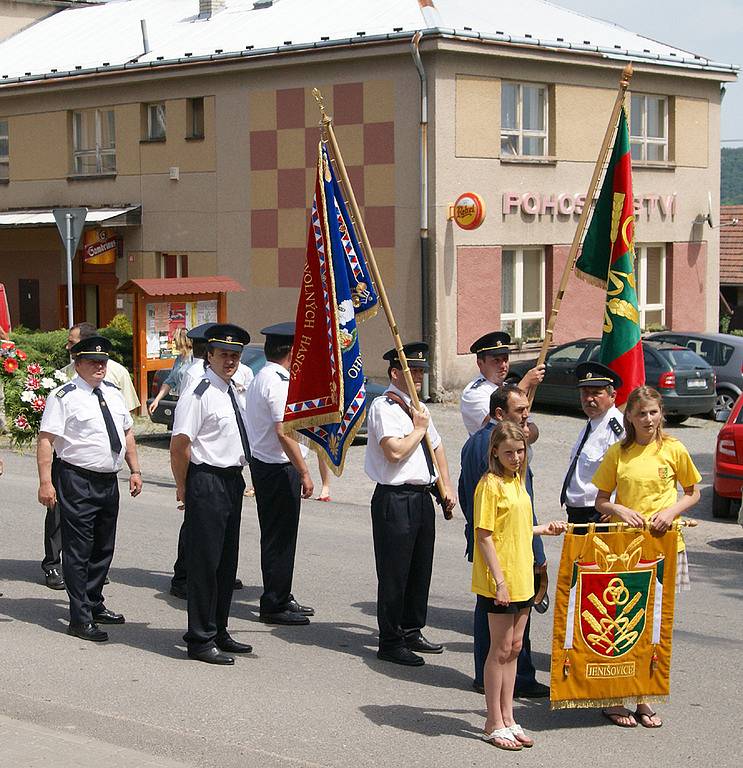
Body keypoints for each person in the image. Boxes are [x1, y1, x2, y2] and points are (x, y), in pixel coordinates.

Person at [593, 385, 701, 729]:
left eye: (653, 412)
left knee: (655, 624)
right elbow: (601, 501)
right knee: (623, 623)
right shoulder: (618, 453)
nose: (649, 419)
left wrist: (671, 513)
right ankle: (615, 697)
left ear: (661, 413)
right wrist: (620, 510)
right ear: (630, 417)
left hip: (666, 545)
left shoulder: (674, 449)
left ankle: (645, 696)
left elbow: (693, 492)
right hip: (624, 549)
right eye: (641, 413)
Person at [36, 335, 143, 642]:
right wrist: (46, 481)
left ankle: (94, 601)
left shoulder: (111, 392)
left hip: (109, 480)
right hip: (76, 479)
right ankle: (79, 616)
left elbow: (127, 432)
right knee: (79, 549)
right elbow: (46, 440)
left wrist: (135, 470)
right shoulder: (64, 396)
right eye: (93, 362)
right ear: (78, 363)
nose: (100, 366)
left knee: (103, 546)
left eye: (103, 361)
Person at [473, 421, 565, 750]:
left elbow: (519, 526)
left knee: (514, 648)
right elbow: (483, 535)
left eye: (520, 451)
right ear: (495, 451)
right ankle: (492, 721)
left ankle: (509, 717)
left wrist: (544, 530)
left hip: (522, 575)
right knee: (498, 651)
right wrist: (499, 581)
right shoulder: (490, 484)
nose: (515, 457)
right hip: (500, 578)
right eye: (509, 452)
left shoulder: (517, 481)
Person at [365, 342, 457, 666]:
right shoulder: (384, 407)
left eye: (420, 371)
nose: (418, 376)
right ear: (395, 373)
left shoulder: (418, 407)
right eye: (412, 371)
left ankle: (411, 629)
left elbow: (439, 448)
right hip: (394, 498)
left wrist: (446, 487)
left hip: (420, 497)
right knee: (394, 573)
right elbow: (394, 451)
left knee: (420, 569)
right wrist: (418, 429)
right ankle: (390, 640)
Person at [170, 323, 253, 665]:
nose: (230, 360)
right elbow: (179, 445)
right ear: (209, 355)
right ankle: (200, 638)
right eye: (224, 354)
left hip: (231, 480)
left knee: (225, 564)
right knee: (204, 564)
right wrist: (183, 485)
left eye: (235, 355)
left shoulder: (231, 390)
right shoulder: (199, 393)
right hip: (207, 481)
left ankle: (218, 629)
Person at [458, 384, 548, 697]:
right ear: (500, 414)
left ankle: (490, 680)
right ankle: (513, 683)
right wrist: (537, 554)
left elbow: (462, 493)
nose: (527, 415)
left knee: (492, 623)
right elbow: (511, 512)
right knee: (504, 636)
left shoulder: (474, 443)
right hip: (505, 554)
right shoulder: (499, 455)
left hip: (492, 546)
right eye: (520, 411)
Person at [245, 322, 315, 625]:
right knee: (279, 538)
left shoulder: (264, 376)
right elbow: (283, 432)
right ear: (292, 352)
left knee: (282, 536)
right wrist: (304, 471)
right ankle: (273, 603)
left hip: (269, 465)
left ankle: (281, 594)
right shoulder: (276, 382)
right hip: (276, 467)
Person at [561, 362, 625, 526]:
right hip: (579, 511)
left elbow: (627, 470)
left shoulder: (617, 427)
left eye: (596, 393)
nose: (589, 399)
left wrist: (617, 506)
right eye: (585, 393)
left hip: (598, 514)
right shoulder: (593, 422)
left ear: (613, 396)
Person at [460, 331, 545, 436]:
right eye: (496, 361)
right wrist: (525, 384)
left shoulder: (507, 387)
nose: (503, 365)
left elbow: (533, 432)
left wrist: (525, 432)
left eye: (505, 359)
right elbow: (498, 425)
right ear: (480, 363)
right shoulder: (474, 393)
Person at [148, 327, 193, 414]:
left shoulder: (194, 358)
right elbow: (169, 381)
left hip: (192, 403)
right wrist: (157, 400)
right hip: (181, 402)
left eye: (175, 339)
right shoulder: (179, 359)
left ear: (182, 340)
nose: (173, 342)